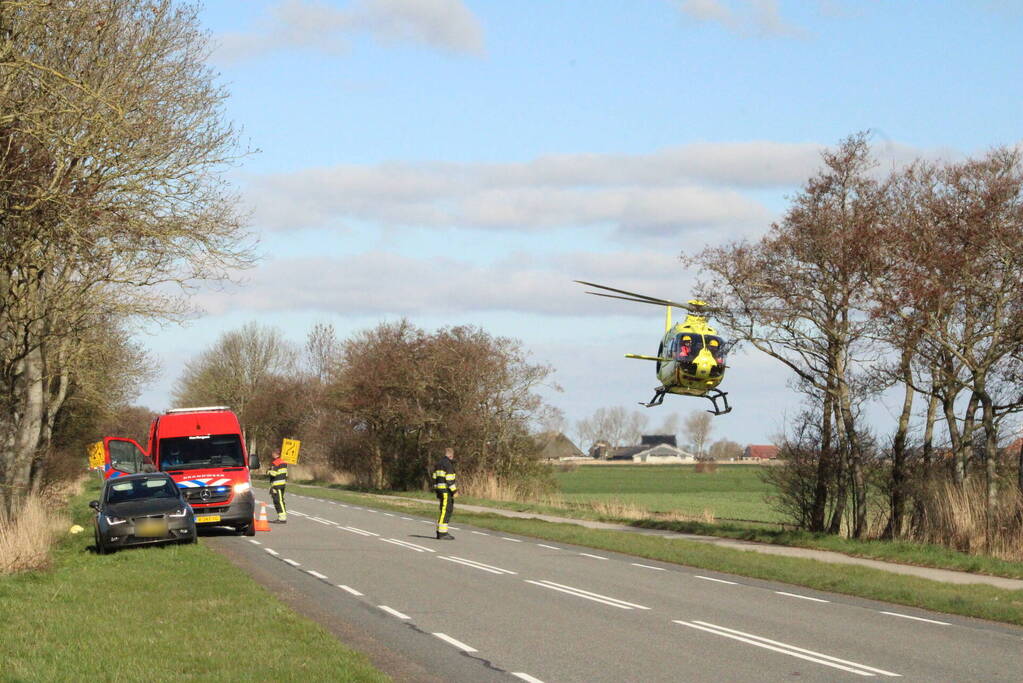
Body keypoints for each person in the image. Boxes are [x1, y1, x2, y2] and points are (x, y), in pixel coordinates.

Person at [433, 447, 457, 540]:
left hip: (440, 490)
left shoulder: (438, 464)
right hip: (446, 491)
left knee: (443, 510)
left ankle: (441, 531)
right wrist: (454, 491)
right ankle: (442, 533)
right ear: (451, 455)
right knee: (446, 510)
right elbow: (449, 480)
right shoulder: (448, 464)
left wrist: (436, 490)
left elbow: (434, 478)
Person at [267, 449, 288, 523]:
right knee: (281, 500)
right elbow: (286, 474)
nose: (272, 455)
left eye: (272, 453)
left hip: (276, 485)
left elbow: (273, 473)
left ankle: (282, 518)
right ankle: (282, 517)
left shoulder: (275, 462)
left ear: (275, 454)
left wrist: (268, 471)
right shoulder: (284, 462)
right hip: (282, 484)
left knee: (278, 501)